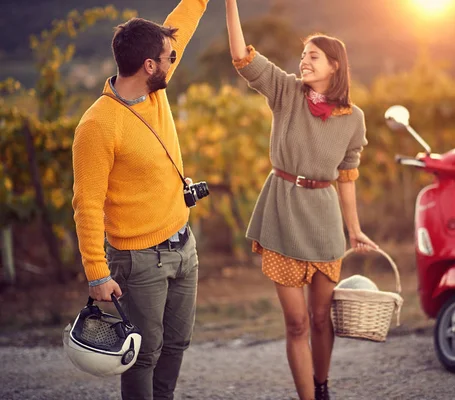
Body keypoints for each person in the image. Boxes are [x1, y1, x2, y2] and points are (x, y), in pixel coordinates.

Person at [224, 1, 379, 399]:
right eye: (303, 54)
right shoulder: (285, 91)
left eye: (313, 56)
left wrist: (355, 230)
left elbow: (347, 178)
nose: (304, 61)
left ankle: (322, 386)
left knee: (321, 318)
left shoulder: (354, 118)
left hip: (324, 221)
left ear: (335, 66)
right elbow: (242, 56)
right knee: (296, 324)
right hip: (281, 213)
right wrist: (230, 3)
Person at [71, 1, 209, 398]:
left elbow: (179, 23)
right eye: (169, 57)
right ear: (150, 65)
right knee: (144, 355)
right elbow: (87, 205)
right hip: (139, 259)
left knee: (176, 345)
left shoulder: (155, 91)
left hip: (184, 246)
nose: (174, 60)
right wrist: (97, 274)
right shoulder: (97, 126)